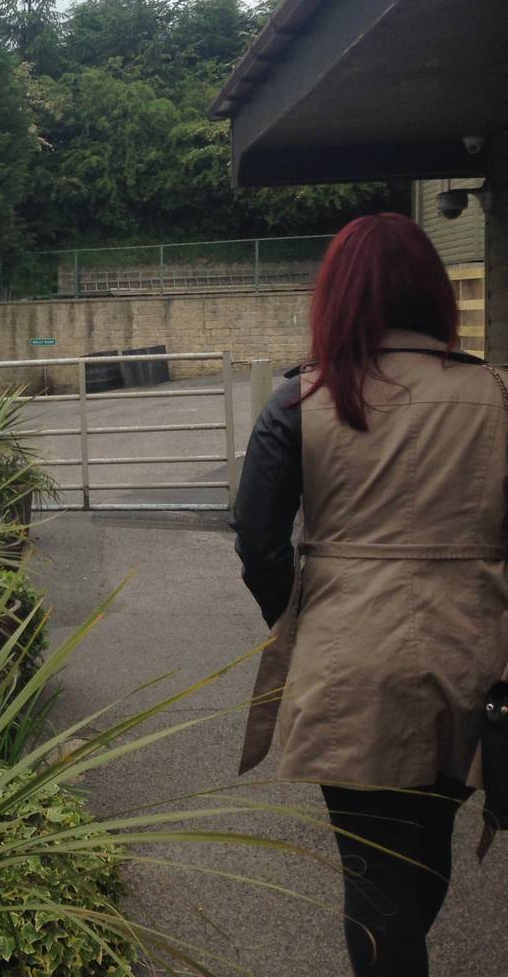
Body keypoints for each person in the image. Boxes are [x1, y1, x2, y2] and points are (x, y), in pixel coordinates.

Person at [232, 212, 508, 976]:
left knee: (376, 869)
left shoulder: (301, 401)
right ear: (434, 294)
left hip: (350, 665)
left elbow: (255, 539)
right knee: (426, 847)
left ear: (338, 298)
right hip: (471, 662)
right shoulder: (497, 395)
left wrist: (308, 620)